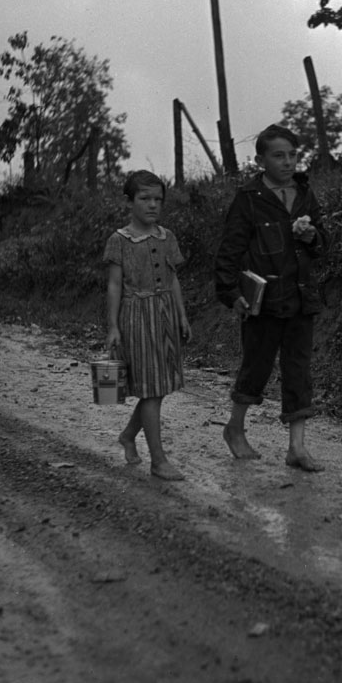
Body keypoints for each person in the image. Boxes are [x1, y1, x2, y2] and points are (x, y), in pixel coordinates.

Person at [214, 124, 328, 472]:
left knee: (299, 370)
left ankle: (296, 447)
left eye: (293, 155)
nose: (288, 162)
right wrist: (231, 294)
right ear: (261, 159)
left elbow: (325, 244)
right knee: (256, 366)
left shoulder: (305, 194)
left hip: (300, 298)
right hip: (262, 302)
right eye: (279, 155)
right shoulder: (249, 199)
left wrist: (312, 237)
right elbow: (229, 252)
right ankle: (235, 428)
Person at [104, 170, 192, 481]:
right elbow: (114, 286)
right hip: (136, 317)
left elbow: (173, 278)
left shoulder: (167, 238)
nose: (152, 205)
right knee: (151, 389)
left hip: (165, 315)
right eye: (145, 199)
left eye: (158, 199)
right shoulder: (119, 240)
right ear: (129, 201)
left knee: (160, 387)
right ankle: (159, 460)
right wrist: (113, 326)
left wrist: (181, 315)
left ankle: (129, 435)